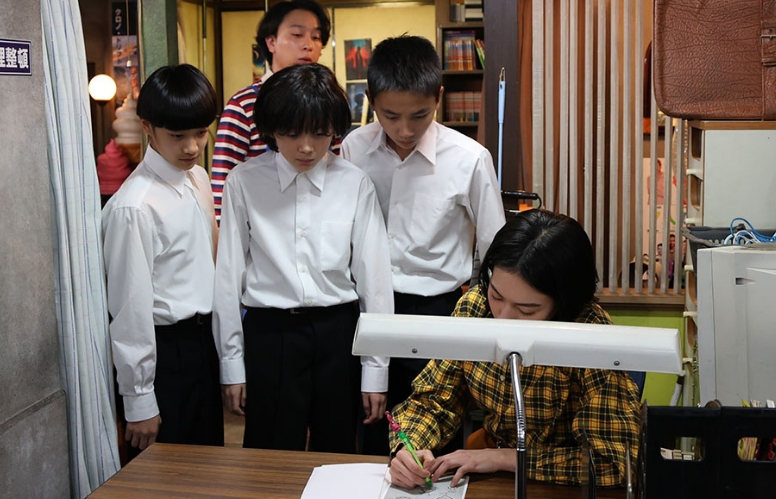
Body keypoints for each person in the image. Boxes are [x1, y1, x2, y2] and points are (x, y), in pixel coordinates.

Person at [388, 209, 641, 489]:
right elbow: (433, 401)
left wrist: (507, 459)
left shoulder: (589, 333)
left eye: (526, 310)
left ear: (564, 303)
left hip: (561, 482)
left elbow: (611, 463)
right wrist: (410, 448)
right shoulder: (476, 308)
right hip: (488, 467)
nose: (504, 317)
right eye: (496, 296)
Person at [213, 63, 394, 453]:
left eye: (320, 133)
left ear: (335, 130)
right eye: (292, 134)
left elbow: (375, 282)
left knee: (337, 453)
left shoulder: (354, 183)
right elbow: (227, 278)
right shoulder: (243, 182)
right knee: (269, 458)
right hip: (269, 334)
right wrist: (231, 365)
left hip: (338, 333)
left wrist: (376, 372)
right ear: (271, 130)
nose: (307, 147)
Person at [341, 35, 505, 455]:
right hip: (365, 308)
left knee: (433, 435)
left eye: (420, 115)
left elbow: (495, 247)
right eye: (390, 115)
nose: (405, 130)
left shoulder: (469, 158)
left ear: (439, 98)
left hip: (437, 311)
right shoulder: (353, 149)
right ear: (370, 100)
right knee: (369, 428)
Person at [102, 64, 223, 456]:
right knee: (165, 472)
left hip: (203, 344)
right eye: (177, 135)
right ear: (147, 127)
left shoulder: (198, 178)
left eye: (200, 132)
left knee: (208, 465)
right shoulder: (134, 206)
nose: (192, 147)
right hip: (164, 353)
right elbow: (129, 308)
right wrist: (138, 398)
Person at [212, 0, 332, 222]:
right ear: (271, 42)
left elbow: (336, 166)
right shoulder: (244, 104)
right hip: (260, 223)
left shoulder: (328, 102)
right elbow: (222, 185)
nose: (308, 45)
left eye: (316, 37)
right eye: (297, 35)